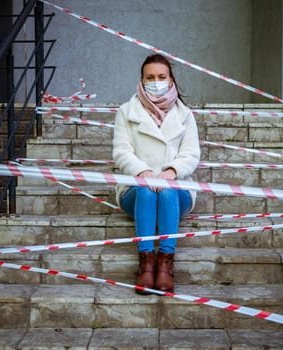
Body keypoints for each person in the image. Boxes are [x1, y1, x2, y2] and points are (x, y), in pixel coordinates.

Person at [112, 54, 201, 294]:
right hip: (136, 191)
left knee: (168, 192)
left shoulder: (185, 115)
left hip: (176, 190)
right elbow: (121, 152)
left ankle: (165, 265)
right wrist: (145, 172)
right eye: (150, 77)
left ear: (171, 80)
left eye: (161, 77)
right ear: (141, 80)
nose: (156, 81)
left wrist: (172, 172)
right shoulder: (126, 112)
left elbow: (191, 154)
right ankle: (146, 264)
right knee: (148, 192)